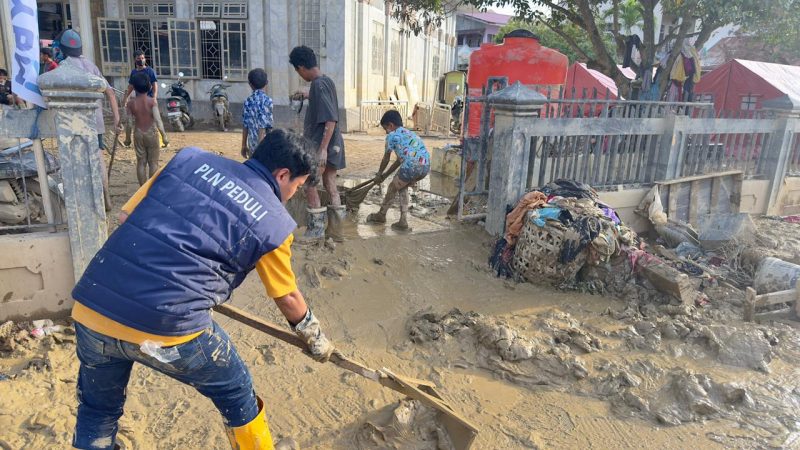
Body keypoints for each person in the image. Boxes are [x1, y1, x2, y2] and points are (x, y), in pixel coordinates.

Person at [69, 129, 337, 450]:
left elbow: (127, 216)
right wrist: (316, 339)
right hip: (166, 325)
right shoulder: (273, 222)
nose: (293, 193)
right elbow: (287, 296)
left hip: (93, 306)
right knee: (237, 391)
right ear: (282, 175)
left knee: (98, 409)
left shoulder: (189, 160)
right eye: (296, 185)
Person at [289, 45, 347, 243]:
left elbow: (330, 119)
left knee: (310, 184)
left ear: (301, 67)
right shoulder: (326, 81)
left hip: (322, 144)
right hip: (335, 144)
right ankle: (337, 231)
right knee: (331, 185)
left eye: (297, 71)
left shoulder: (318, 85)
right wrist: (307, 94)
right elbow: (325, 101)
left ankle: (316, 231)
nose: (299, 74)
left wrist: (322, 149)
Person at [58, 30, 120, 211]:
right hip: (96, 122)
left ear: (63, 48)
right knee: (98, 157)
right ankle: (106, 197)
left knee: (77, 161)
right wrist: (116, 119)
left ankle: (86, 202)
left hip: (73, 124)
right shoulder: (91, 66)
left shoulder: (64, 66)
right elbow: (110, 92)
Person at [367, 110, 430, 231]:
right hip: (425, 166)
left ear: (390, 125)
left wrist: (379, 174)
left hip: (411, 166)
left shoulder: (392, 136)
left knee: (392, 187)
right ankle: (403, 221)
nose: (386, 132)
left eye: (385, 128)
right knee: (402, 186)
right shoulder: (409, 134)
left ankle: (381, 215)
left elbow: (386, 158)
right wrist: (385, 176)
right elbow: (398, 161)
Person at [122, 50, 168, 148]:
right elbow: (130, 87)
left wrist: (154, 97)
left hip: (150, 99)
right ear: (135, 60)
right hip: (140, 100)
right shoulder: (133, 73)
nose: (141, 60)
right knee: (134, 121)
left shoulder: (150, 71)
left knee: (156, 120)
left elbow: (155, 85)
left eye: (143, 58)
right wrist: (126, 98)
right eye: (139, 59)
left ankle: (164, 138)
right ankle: (128, 140)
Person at [127, 72, 161, 186]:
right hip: (152, 133)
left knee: (141, 162)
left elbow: (129, 123)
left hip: (138, 133)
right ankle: (151, 188)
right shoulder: (152, 102)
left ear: (134, 87)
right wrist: (164, 136)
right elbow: (158, 120)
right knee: (153, 163)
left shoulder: (131, 103)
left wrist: (127, 138)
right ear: (150, 86)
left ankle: (142, 188)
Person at [241, 68, 274, 159]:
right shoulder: (267, 101)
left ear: (250, 84)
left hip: (252, 145)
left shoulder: (247, 101)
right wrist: (261, 148)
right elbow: (262, 126)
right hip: (265, 147)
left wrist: (243, 145)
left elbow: (245, 125)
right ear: (267, 82)